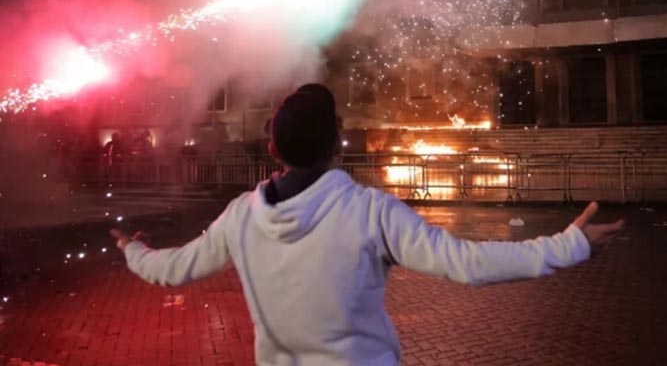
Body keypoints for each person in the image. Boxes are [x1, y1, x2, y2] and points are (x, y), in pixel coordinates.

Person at [110, 84, 624, 366]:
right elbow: (467, 264)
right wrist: (570, 244)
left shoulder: (241, 216)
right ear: (338, 144)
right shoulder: (371, 212)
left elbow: (173, 269)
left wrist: (134, 250)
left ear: (272, 150)